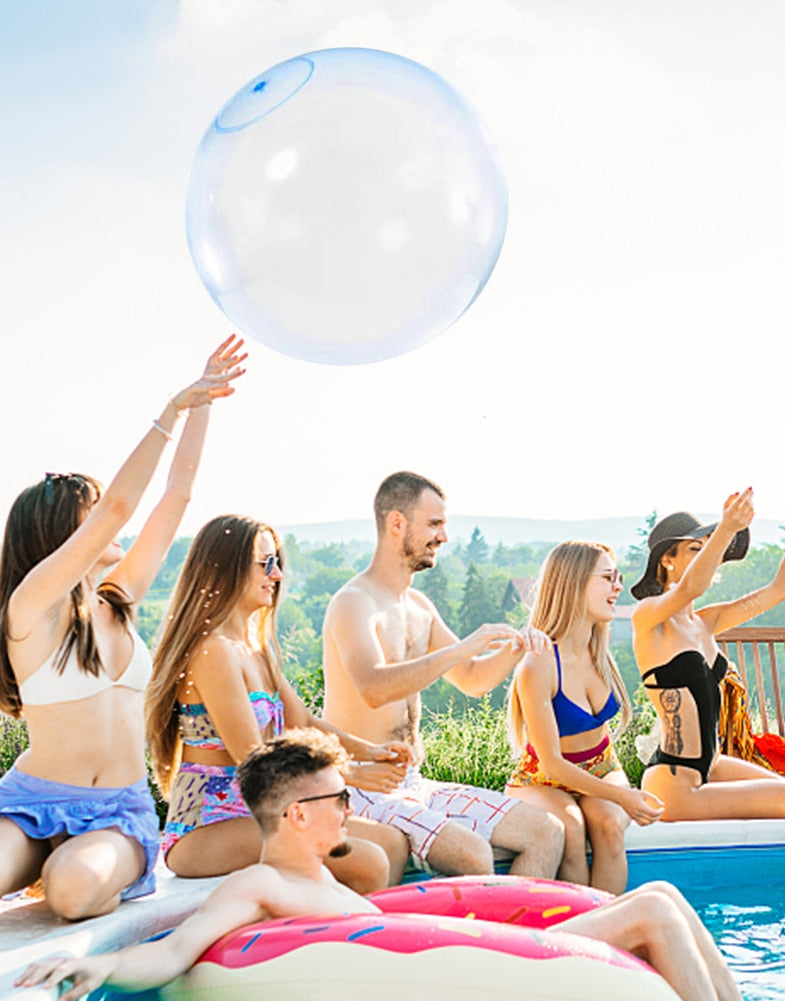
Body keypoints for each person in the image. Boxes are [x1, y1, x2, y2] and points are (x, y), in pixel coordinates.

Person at [16, 728, 743, 1001]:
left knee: (664, 897)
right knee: (649, 904)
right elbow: (176, 948)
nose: (348, 810)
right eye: (338, 798)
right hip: (484, 973)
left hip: (478, 960)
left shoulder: (325, 878)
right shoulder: (262, 882)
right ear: (296, 814)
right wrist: (101, 967)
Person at [0, 336, 245, 919]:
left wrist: (203, 399)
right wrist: (169, 409)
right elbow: (121, 509)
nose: (113, 513)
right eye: (97, 506)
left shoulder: (117, 599)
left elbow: (177, 495)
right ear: (63, 531)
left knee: (72, 892)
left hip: (116, 810)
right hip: (31, 801)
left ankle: (63, 865)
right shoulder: (28, 607)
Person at [144, 513, 413, 893]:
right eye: (265, 564)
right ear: (227, 568)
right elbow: (252, 758)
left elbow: (303, 720)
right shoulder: (212, 651)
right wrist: (349, 774)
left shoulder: (255, 650)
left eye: (278, 564)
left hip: (261, 814)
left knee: (393, 843)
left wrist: (373, 752)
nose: (277, 576)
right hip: (205, 827)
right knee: (368, 860)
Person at [322, 471, 564, 880]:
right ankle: (476, 941)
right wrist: (461, 647)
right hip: (364, 786)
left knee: (546, 832)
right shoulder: (354, 603)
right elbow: (373, 689)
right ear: (397, 522)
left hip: (416, 783)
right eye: (434, 524)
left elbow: (471, 679)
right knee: (471, 854)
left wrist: (516, 648)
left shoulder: (419, 605)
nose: (444, 537)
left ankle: (513, 941)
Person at [631, 476, 785, 822]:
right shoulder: (649, 619)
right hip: (674, 782)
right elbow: (691, 586)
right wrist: (725, 529)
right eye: (697, 549)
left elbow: (782, 588)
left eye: (708, 551)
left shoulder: (707, 622)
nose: (708, 556)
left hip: (713, 765)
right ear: (667, 560)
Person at [506, 541, 662, 893]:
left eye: (617, 577)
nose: (618, 586)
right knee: (572, 829)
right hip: (543, 780)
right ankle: (580, 931)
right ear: (574, 583)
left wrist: (616, 795)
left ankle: (610, 931)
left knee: (607, 827)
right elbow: (552, 765)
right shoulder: (539, 663)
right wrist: (624, 797)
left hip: (603, 768)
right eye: (608, 578)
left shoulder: (598, 649)